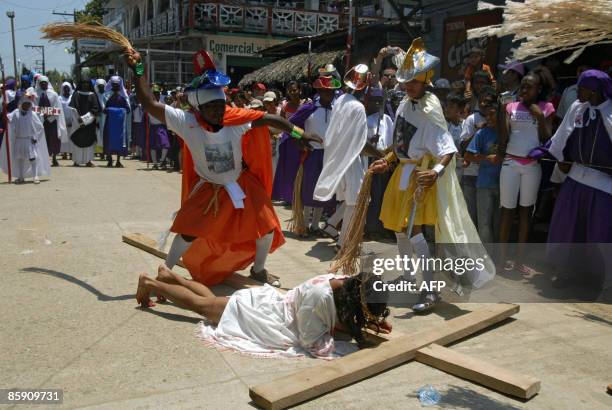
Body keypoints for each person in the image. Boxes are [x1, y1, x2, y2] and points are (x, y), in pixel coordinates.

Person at [124, 48, 321, 288]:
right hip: (210, 189)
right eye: (212, 108)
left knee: (267, 228)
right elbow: (149, 103)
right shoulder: (186, 123)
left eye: (221, 105)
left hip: (242, 184)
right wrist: (139, 70)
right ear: (199, 108)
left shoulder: (235, 121)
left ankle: (258, 270)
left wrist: (300, 133)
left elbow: (271, 119)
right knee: (188, 232)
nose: (219, 111)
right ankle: (166, 272)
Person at [369, 38, 494, 312]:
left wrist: (435, 172)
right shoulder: (404, 104)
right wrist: (387, 161)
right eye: (406, 80)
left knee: (414, 234)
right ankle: (407, 276)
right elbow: (400, 143)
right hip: (401, 174)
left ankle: (429, 290)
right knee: (400, 232)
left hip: (419, 178)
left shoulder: (430, 106)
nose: (408, 85)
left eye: (413, 80)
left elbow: (446, 149)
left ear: (425, 79)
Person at [136, 266, 390, 357]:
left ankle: (169, 276)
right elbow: (311, 342)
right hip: (260, 315)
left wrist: (369, 321)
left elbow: (340, 314)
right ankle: (150, 283)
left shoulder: (346, 283)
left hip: (267, 306)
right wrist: (354, 344)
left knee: (211, 302)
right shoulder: (319, 298)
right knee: (202, 306)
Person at [547, 70, 612, 289]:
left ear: (594, 90)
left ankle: (604, 281)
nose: (578, 91)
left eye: (581, 87)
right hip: (575, 178)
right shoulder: (577, 107)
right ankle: (565, 272)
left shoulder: (611, 111)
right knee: (567, 229)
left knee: (600, 235)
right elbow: (561, 140)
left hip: (604, 185)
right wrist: (559, 169)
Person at [498, 70, 555, 273]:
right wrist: (502, 110)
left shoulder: (546, 107)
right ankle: (501, 259)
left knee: (525, 213)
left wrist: (539, 117)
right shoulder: (511, 106)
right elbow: (503, 138)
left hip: (532, 166)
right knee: (506, 211)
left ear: (538, 89)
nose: (524, 89)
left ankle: (520, 261)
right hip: (510, 163)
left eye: (529, 86)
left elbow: (547, 139)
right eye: (522, 85)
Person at [314, 64, 370, 251]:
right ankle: (344, 243)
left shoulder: (340, 101)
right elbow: (361, 142)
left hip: (338, 157)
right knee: (356, 200)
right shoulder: (358, 107)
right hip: (350, 159)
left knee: (351, 198)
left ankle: (331, 225)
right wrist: (382, 154)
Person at [286, 74, 340, 237]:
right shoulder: (309, 107)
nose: (328, 94)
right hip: (312, 154)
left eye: (331, 91)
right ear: (319, 90)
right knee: (309, 190)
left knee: (324, 191)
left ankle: (316, 226)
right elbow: (290, 125)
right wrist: (299, 140)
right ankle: (303, 225)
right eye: (325, 90)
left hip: (329, 156)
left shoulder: (336, 110)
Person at [459, 85, 497, 226]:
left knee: (487, 219)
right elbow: (463, 147)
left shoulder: (499, 123)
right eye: (480, 101)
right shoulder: (471, 119)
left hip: (490, 177)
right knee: (471, 216)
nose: (482, 104)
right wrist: (478, 132)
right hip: (471, 174)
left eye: (487, 102)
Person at [464, 103, 503, 244]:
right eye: (487, 115)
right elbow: (468, 156)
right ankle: (486, 256)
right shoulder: (482, 133)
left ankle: (498, 256)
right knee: (484, 223)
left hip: (504, 184)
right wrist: (486, 158)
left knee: (499, 222)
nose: (489, 118)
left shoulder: (508, 133)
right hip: (484, 183)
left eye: (493, 114)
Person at [0, 88, 50, 184]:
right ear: (21, 104)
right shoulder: (15, 113)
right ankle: (21, 177)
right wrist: (4, 108)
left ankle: (35, 176)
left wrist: (35, 137)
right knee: (20, 158)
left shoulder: (33, 114)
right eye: (25, 104)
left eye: (29, 104)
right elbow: (7, 119)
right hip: (19, 139)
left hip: (29, 139)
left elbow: (40, 127)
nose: (27, 106)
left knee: (32, 157)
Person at [364, 87, 394, 237]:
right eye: (374, 100)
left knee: (383, 194)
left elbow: (391, 139)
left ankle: (382, 226)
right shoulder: (365, 119)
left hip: (385, 158)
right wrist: (370, 140)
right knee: (373, 194)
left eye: (379, 101)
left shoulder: (387, 119)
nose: (376, 104)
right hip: (371, 158)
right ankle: (371, 227)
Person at [272, 81, 307, 203]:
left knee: (302, 170)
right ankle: (289, 197)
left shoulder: (306, 104)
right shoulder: (285, 106)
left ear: (300, 90)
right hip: (288, 142)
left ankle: (300, 196)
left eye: (295, 90)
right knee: (289, 170)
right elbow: (282, 125)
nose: (293, 92)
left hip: (303, 141)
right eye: (290, 90)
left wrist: (301, 137)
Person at [36, 76, 67, 167]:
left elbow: (58, 109)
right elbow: (34, 108)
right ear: (39, 84)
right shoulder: (36, 94)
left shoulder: (54, 94)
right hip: (40, 121)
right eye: (42, 83)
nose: (43, 84)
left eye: (45, 82)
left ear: (48, 83)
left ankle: (54, 158)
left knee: (54, 139)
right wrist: (42, 114)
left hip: (52, 120)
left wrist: (48, 114)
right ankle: (43, 160)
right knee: (43, 140)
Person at [69, 79, 100, 167]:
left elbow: (95, 109)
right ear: (80, 84)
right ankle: (76, 161)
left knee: (89, 142)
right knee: (77, 141)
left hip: (89, 125)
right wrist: (79, 120)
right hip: (77, 124)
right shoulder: (76, 94)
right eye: (83, 83)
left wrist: (85, 120)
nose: (85, 84)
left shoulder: (93, 95)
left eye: (87, 83)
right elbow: (73, 108)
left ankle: (88, 161)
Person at [102, 76, 130, 168]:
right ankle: (109, 160)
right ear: (111, 85)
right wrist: (110, 110)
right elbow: (103, 109)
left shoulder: (123, 97)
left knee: (119, 140)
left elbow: (128, 109)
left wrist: (119, 111)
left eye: (117, 85)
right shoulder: (106, 96)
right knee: (108, 139)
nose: (115, 86)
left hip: (120, 125)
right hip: (109, 124)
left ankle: (118, 161)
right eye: (114, 85)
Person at [445, 93, 467, 179]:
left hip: (461, 167)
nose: (447, 109)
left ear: (460, 109)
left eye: (451, 107)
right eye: (447, 106)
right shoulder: (442, 125)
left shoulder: (465, 124)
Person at [59, 82, 74, 161]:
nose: (66, 90)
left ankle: (71, 153)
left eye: (68, 88)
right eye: (65, 88)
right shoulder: (59, 98)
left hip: (71, 120)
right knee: (64, 137)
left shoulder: (72, 97)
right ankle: (64, 153)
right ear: (62, 89)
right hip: (62, 120)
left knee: (71, 137)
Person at [94, 78, 107, 156]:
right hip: (97, 119)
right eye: (99, 86)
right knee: (98, 135)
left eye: (102, 86)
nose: (101, 88)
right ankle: (98, 151)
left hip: (105, 118)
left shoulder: (107, 95)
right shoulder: (95, 96)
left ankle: (104, 152)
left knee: (105, 135)